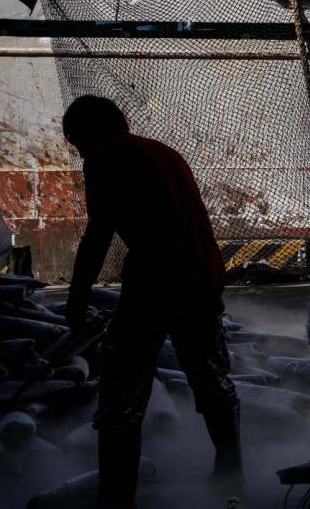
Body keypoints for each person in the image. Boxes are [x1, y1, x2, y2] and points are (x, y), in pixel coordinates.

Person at [62, 96, 240, 508]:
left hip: (160, 276)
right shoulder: (163, 151)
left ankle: (116, 496)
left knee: (122, 386)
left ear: (89, 133)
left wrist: (77, 296)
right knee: (209, 374)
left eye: (75, 142)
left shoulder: (106, 155)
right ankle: (231, 470)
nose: (78, 151)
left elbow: (98, 234)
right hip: (202, 274)